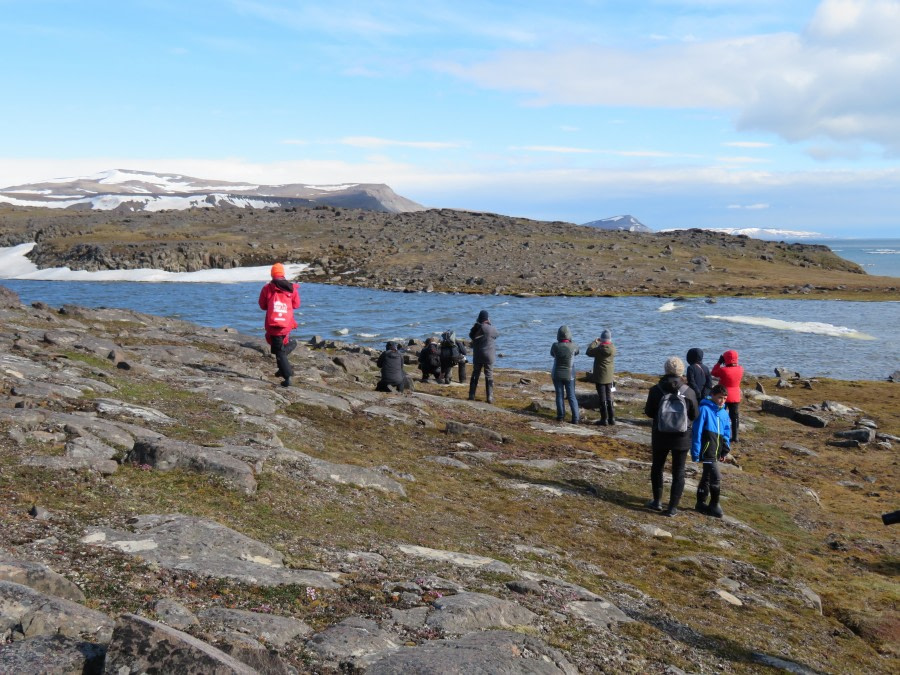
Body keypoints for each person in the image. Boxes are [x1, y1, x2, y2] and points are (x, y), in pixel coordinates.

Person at [644, 356, 699, 517]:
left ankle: (657, 501)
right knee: (679, 471)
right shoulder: (689, 391)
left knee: (657, 467)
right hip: (682, 437)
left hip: (660, 434)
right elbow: (695, 414)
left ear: (665, 370)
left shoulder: (655, 390)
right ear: (681, 372)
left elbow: (649, 412)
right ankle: (673, 508)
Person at [692, 384, 732, 517]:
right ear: (713, 395)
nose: (722, 401)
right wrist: (696, 452)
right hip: (707, 449)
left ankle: (700, 503)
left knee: (707, 477)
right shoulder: (704, 409)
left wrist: (725, 450)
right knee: (716, 477)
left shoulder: (723, 413)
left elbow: (726, 432)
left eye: (725, 398)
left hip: (717, 449)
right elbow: (696, 431)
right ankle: (714, 504)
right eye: (720, 397)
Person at [258, 262, 300, 387]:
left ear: (272, 274)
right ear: (283, 274)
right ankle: (282, 369)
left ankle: (287, 376)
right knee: (278, 349)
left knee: (279, 351)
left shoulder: (267, 288)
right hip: (287, 324)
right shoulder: (291, 288)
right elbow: (296, 305)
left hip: (273, 324)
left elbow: (262, 305)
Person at [711, 349, 743, 443]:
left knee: (721, 415)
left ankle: (720, 434)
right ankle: (735, 436)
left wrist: (719, 362)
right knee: (735, 417)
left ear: (726, 359)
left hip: (724, 395)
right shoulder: (740, 369)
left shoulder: (724, 370)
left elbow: (713, 372)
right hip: (736, 395)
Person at [550, 325, 580, 423]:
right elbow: (577, 352)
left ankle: (560, 416)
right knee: (571, 396)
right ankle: (575, 418)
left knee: (559, 395)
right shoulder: (574, 345)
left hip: (557, 374)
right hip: (570, 374)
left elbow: (552, 354)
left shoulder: (555, 345)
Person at [468, 309, 499, 403]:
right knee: (489, 375)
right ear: (487, 318)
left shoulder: (476, 328)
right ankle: (489, 397)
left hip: (478, 355)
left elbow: (470, 335)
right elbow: (497, 335)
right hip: (489, 356)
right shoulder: (492, 328)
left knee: (475, 374)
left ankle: (471, 395)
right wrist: (489, 324)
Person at [586, 329, 616, 425]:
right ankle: (612, 419)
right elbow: (608, 345)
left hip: (600, 377)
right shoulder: (613, 348)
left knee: (602, 398)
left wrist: (595, 342)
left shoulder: (599, 349)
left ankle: (604, 419)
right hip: (610, 377)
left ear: (602, 339)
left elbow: (588, 352)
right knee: (610, 396)